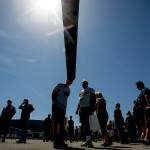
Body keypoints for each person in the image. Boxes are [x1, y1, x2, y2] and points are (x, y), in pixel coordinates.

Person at [51, 80, 72, 149]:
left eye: (71, 81)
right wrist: (54, 102)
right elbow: (53, 93)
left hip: (63, 108)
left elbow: (66, 98)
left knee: (61, 125)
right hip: (57, 105)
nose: (69, 82)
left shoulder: (69, 90)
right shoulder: (60, 85)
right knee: (55, 123)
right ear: (66, 80)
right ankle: (55, 142)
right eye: (69, 80)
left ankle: (60, 141)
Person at [76, 80, 96, 148]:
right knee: (84, 125)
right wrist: (77, 109)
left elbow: (93, 97)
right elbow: (79, 101)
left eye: (84, 83)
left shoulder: (91, 89)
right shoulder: (81, 91)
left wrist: (93, 107)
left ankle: (89, 142)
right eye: (82, 84)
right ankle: (87, 141)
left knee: (88, 125)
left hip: (88, 108)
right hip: (81, 109)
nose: (83, 84)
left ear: (87, 84)